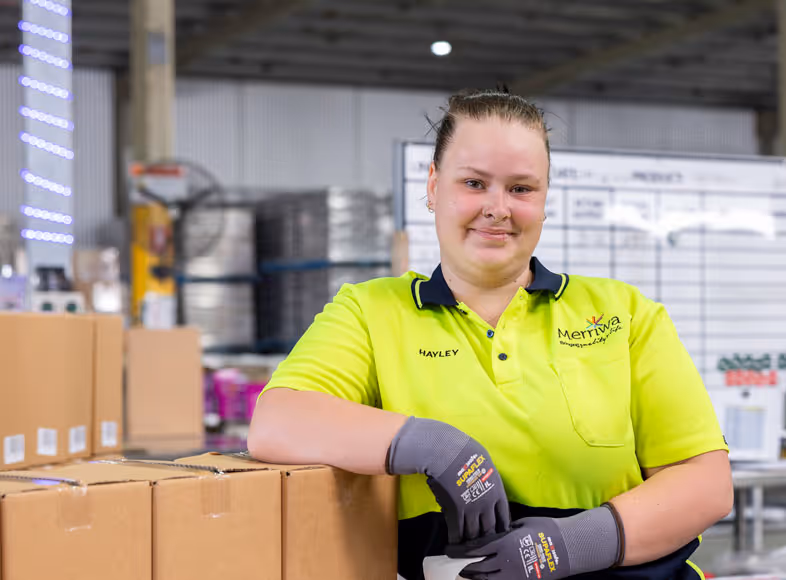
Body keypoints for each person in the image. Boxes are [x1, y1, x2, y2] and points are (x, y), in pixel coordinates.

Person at [248, 88, 733, 580]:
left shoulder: (624, 314)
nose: (498, 208)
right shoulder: (371, 312)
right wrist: (440, 449)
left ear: (544, 200)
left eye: (521, 189)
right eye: (474, 183)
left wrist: (567, 546)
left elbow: (706, 484)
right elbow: (277, 421)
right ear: (434, 186)